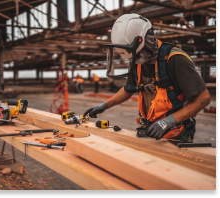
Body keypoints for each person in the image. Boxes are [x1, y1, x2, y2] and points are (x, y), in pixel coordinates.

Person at [83, 13, 210, 143]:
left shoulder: (175, 59)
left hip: (177, 134)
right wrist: (104, 105)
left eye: (137, 54)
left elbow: (203, 98)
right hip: (150, 132)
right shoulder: (137, 60)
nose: (135, 58)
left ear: (146, 40)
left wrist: (168, 121)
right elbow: (128, 89)